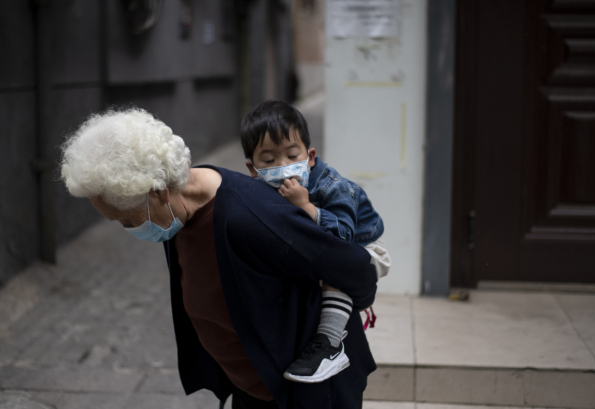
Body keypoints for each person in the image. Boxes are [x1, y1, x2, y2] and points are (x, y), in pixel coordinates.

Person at [59, 107, 377, 409]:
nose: (130, 229)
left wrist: (337, 316)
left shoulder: (250, 217)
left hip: (302, 392)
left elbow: (355, 267)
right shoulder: (177, 214)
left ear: (158, 192)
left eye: (127, 220)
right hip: (253, 389)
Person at [241, 101, 391, 383]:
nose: (283, 168)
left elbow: (342, 239)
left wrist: (307, 207)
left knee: (335, 270)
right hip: (329, 249)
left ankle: (330, 345)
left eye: (291, 155)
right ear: (253, 168)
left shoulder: (333, 186)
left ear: (309, 157)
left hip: (364, 248)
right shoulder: (263, 189)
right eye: (270, 161)